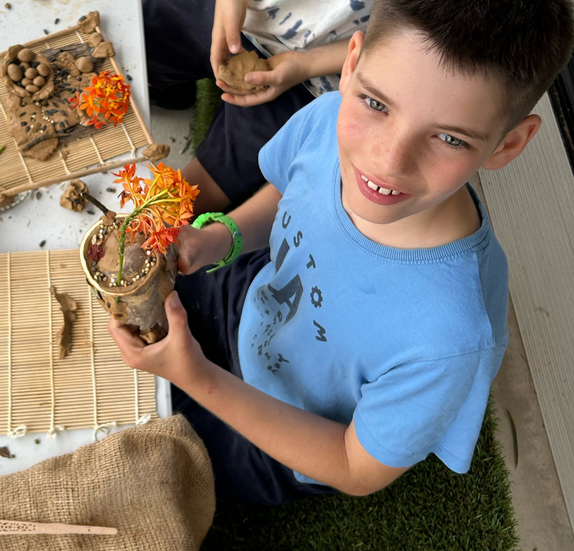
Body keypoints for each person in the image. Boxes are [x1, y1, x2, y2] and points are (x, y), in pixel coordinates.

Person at [111, 0, 574, 505]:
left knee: (132, 467)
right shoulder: (327, 118)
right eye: (376, 104)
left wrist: (195, 375)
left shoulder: (451, 336)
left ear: (508, 144)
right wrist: (222, 237)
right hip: (248, 298)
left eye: (448, 138)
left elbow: (355, 467)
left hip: (286, 436)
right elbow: (297, 188)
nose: (387, 162)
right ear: (351, 64)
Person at [144, 0, 372, 214]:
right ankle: (167, 89)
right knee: (139, 32)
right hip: (250, 13)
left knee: (203, 185)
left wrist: (306, 64)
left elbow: (397, 40)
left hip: (313, 77)